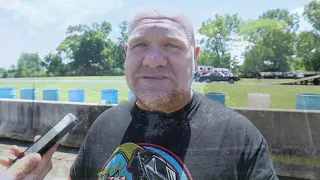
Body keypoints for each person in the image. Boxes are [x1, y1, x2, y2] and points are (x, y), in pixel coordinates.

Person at [0, 6, 278, 180]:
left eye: (171, 45)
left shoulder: (241, 138)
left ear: (194, 57)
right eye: (140, 45)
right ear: (126, 54)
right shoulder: (103, 126)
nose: (153, 59)